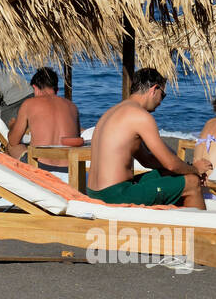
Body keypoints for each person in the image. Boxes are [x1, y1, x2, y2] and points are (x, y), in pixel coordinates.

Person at [87, 67, 208, 208]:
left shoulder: (111, 113)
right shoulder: (141, 116)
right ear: (154, 89)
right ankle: (198, 228)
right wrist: (195, 169)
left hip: (96, 192)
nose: (161, 102)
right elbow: (171, 164)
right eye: (162, 95)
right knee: (192, 182)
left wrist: (176, 170)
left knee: (169, 174)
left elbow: (147, 160)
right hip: (115, 195)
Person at [6, 68, 82, 170]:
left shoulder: (29, 104)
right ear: (57, 90)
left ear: (35, 88)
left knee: (11, 146)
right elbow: (75, 139)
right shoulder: (72, 106)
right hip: (69, 168)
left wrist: (12, 127)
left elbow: (13, 141)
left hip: (41, 167)